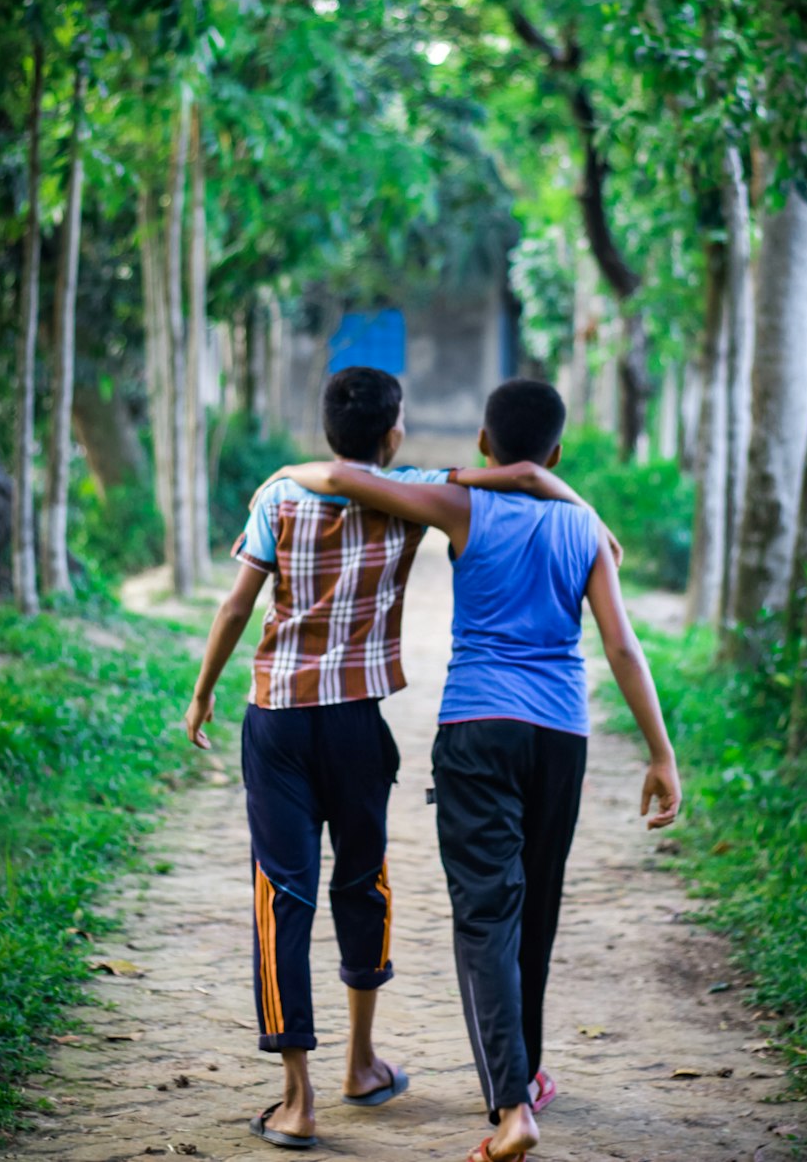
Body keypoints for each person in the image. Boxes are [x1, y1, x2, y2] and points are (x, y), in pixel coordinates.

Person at [183, 367, 617, 1151]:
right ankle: (360, 1062)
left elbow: (236, 603)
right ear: (393, 434)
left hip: (277, 720)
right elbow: (521, 474)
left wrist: (204, 690)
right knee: (362, 882)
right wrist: (590, 514)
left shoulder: (278, 498)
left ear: (326, 430)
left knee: (281, 895)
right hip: (357, 723)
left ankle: (296, 1098)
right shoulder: (410, 492)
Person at [273, 377, 682, 1162]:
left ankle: (512, 1106)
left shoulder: (467, 507)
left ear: (483, 445)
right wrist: (661, 754)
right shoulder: (585, 527)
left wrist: (288, 474)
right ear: (558, 453)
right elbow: (624, 647)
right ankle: (527, 1073)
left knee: (486, 917)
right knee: (536, 908)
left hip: (478, 727)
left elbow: (354, 479)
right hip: (561, 734)